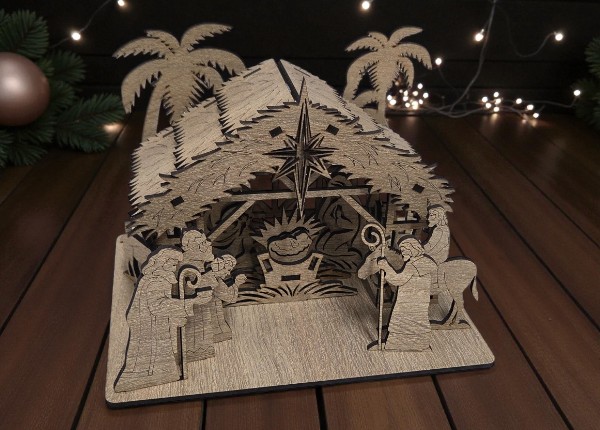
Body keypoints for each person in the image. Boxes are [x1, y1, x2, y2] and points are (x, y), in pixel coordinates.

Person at [114, 247, 211, 392]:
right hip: (150, 326)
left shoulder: (158, 278)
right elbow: (158, 306)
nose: (174, 267)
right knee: (149, 356)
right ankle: (147, 375)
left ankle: (157, 372)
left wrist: (177, 315)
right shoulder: (156, 281)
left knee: (158, 354)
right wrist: (193, 301)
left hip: (155, 323)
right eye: (172, 264)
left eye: (175, 264)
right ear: (162, 262)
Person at [377, 237, 436, 351]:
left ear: (413, 249)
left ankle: (399, 344)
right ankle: (419, 343)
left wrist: (386, 267)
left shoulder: (413, 265)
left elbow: (398, 279)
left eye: (404, 249)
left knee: (404, 320)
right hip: (419, 300)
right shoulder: (424, 262)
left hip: (410, 300)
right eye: (401, 249)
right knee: (417, 320)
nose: (402, 252)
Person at [185, 254, 247, 361]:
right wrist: (236, 283)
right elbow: (228, 297)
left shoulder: (212, 277)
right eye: (227, 269)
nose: (228, 273)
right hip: (202, 316)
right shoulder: (211, 279)